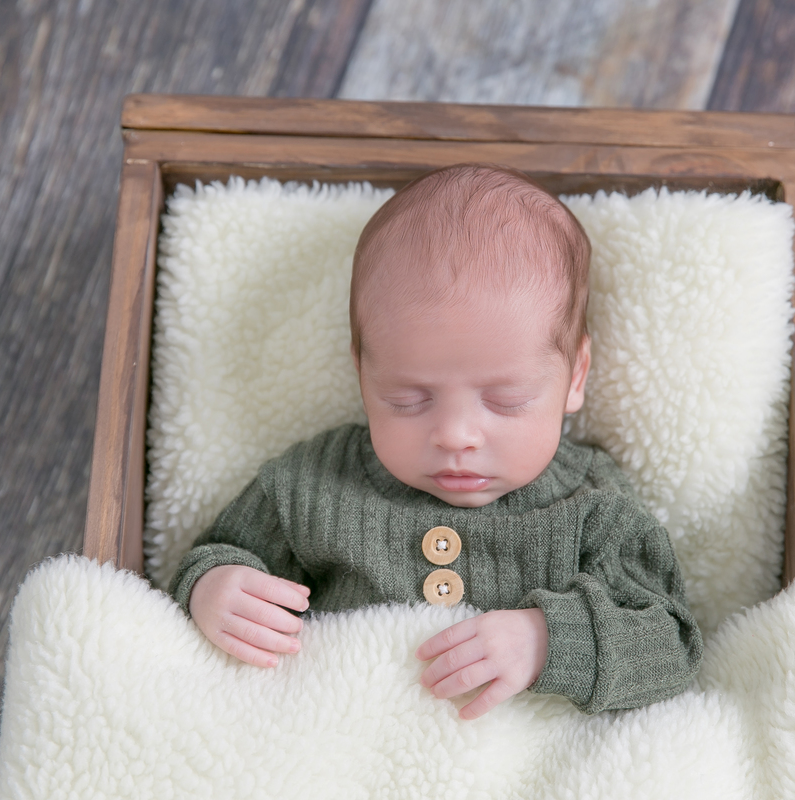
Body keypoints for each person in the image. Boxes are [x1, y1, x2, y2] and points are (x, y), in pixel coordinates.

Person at [169, 164, 702, 719]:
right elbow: (215, 555)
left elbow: (671, 643)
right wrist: (213, 588)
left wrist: (546, 641)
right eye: (408, 400)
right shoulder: (312, 485)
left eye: (505, 400)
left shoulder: (593, 507)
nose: (455, 436)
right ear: (363, 376)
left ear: (574, 377)